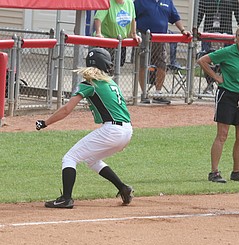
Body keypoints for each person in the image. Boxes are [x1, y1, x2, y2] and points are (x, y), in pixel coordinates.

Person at [36, 48, 134, 208]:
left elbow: (67, 109)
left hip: (112, 130)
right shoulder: (111, 83)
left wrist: (45, 122)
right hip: (127, 130)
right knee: (91, 160)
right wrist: (121, 139)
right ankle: (123, 188)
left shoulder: (89, 84)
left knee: (69, 158)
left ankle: (66, 199)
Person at [197, 23, 239, 183]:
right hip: (226, 95)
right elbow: (203, 61)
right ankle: (214, 172)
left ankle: (236, 171)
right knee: (222, 134)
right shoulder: (227, 52)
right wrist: (216, 77)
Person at [134, 0, 191, 104]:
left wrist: (183, 30)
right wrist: (134, 33)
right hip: (143, 36)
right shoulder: (140, 1)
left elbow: (175, 17)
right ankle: (144, 94)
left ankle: (157, 93)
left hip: (160, 38)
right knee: (142, 64)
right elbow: (133, 17)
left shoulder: (167, 1)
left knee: (162, 64)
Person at [197, 0, 239, 94]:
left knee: (226, 61)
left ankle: (224, 84)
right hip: (209, 34)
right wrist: (195, 28)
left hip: (226, 36)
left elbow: (238, 13)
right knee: (208, 58)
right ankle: (210, 85)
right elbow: (199, 14)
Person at [94, 0, 142, 66]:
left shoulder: (130, 3)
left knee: (117, 68)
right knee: (104, 68)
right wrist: (98, 33)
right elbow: (98, 18)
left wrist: (133, 34)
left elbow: (133, 19)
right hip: (107, 43)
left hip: (121, 42)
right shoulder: (107, 2)